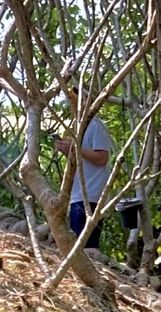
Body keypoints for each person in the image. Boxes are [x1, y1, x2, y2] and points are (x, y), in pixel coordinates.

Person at [55, 97, 111, 251]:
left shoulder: (96, 126)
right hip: (78, 194)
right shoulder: (78, 128)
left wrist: (75, 149)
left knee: (86, 247)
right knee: (78, 244)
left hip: (90, 195)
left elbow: (102, 158)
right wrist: (68, 150)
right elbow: (80, 159)